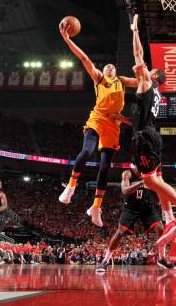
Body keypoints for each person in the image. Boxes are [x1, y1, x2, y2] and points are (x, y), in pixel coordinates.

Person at [58, 19, 138, 227]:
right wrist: (67, 40)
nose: (110, 68)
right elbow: (84, 58)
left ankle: (95, 207)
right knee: (86, 152)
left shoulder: (121, 81)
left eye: (113, 67)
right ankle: (71, 187)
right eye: (107, 67)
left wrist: (153, 78)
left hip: (113, 125)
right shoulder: (100, 79)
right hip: (97, 118)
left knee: (105, 167)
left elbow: (142, 82)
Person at [129, 14, 176, 245]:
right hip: (149, 135)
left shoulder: (147, 83)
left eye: (150, 70)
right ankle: (170, 219)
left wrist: (134, 31)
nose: (146, 70)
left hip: (145, 137)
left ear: (154, 77)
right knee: (156, 182)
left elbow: (138, 55)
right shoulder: (151, 89)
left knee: (151, 182)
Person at [96, 165, 176, 273]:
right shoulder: (127, 174)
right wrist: (140, 183)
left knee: (160, 229)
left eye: (141, 169)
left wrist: (158, 198)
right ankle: (105, 261)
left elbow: (158, 190)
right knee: (120, 232)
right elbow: (124, 191)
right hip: (130, 207)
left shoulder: (149, 173)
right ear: (133, 168)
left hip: (147, 206)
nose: (139, 171)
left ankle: (161, 258)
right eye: (137, 168)